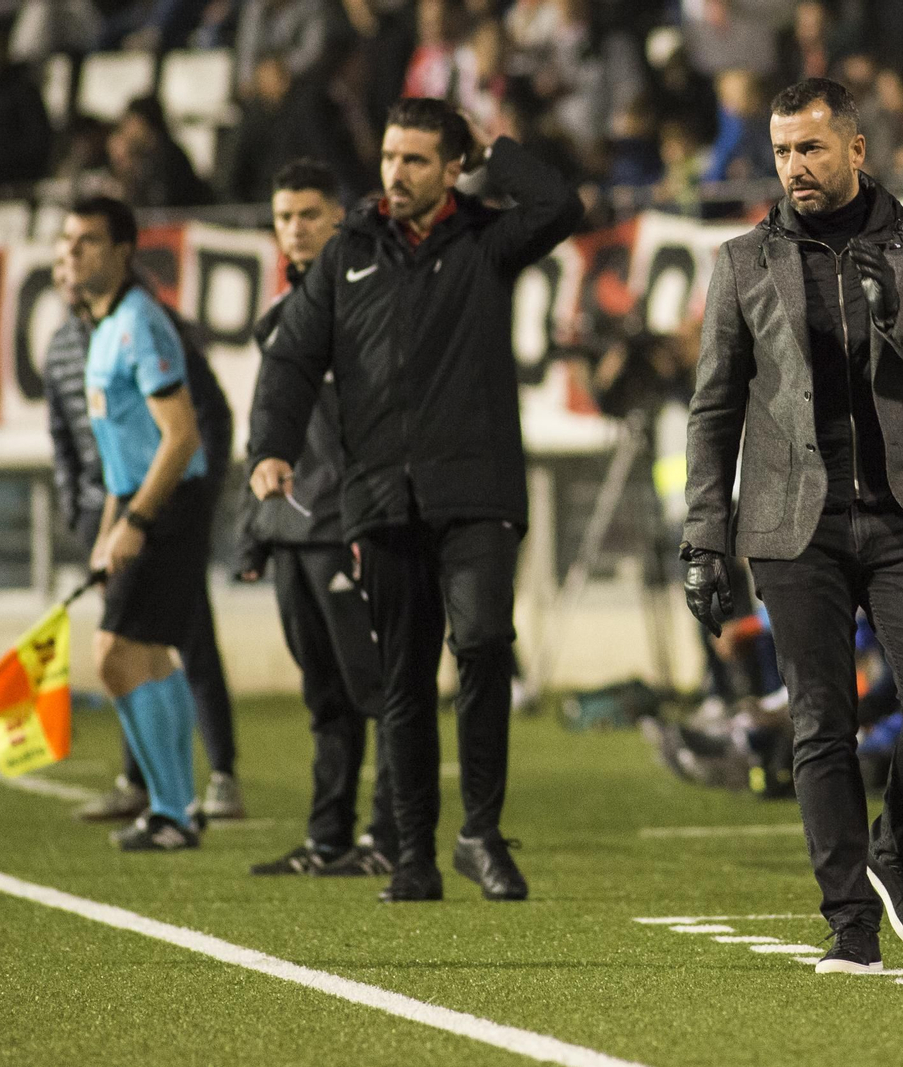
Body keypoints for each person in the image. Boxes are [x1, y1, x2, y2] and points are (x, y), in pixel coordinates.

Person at [681, 77, 903, 973]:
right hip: (790, 524)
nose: (794, 168)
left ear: (857, 148)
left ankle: (898, 851)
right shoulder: (742, 262)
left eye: (810, 148)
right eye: (781, 151)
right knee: (822, 723)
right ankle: (850, 925)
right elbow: (713, 410)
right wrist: (705, 536)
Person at [249, 98, 584, 902]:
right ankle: (413, 856)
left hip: (476, 490)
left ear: (450, 167)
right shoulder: (348, 251)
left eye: (415, 160)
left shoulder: (487, 240)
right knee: (403, 678)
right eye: (390, 157)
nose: (395, 173)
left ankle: (480, 833)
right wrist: (272, 447)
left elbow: (561, 206)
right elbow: (293, 356)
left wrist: (494, 149)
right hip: (381, 497)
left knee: (482, 647)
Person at [48, 231, 245, 828]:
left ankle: (179, 800)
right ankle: (171, 803)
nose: (69, 261)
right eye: (61, 251)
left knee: (122, 654)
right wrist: (107, 527)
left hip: (165, 507)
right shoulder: (90, 336)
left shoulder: (144, 324)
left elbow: (185, 431)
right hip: (131, 510)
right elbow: (102, 450)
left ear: (121, 252)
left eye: (83, 245)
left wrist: (138, 519)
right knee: (152, 654)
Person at [241, 159, 397, 878]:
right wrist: (256, 524)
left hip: (346, 526)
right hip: (292, 531)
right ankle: (326, 836)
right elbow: (268, 428)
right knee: (324, 697)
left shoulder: (369, 306)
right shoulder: (281, 316)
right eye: (283, 217)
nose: (294, 229)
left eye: (308, 214)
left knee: (380, 689)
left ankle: (390, 836)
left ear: (339, 219)